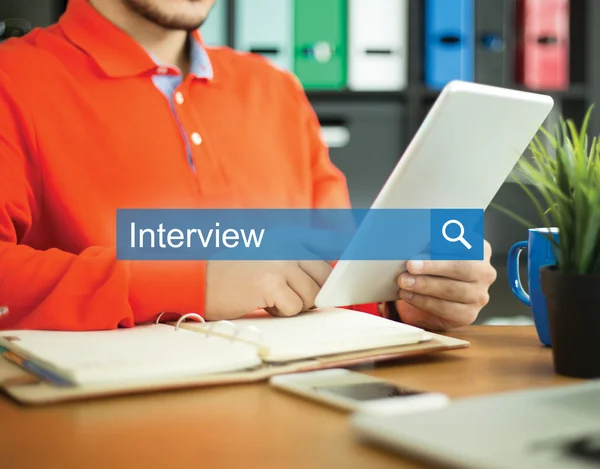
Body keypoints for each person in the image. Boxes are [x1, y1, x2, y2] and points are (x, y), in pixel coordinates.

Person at [0, 0, 497, 332]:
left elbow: (332, 276)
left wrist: (402, 299)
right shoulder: (13, 79)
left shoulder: (275, 89)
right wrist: (191, 282)